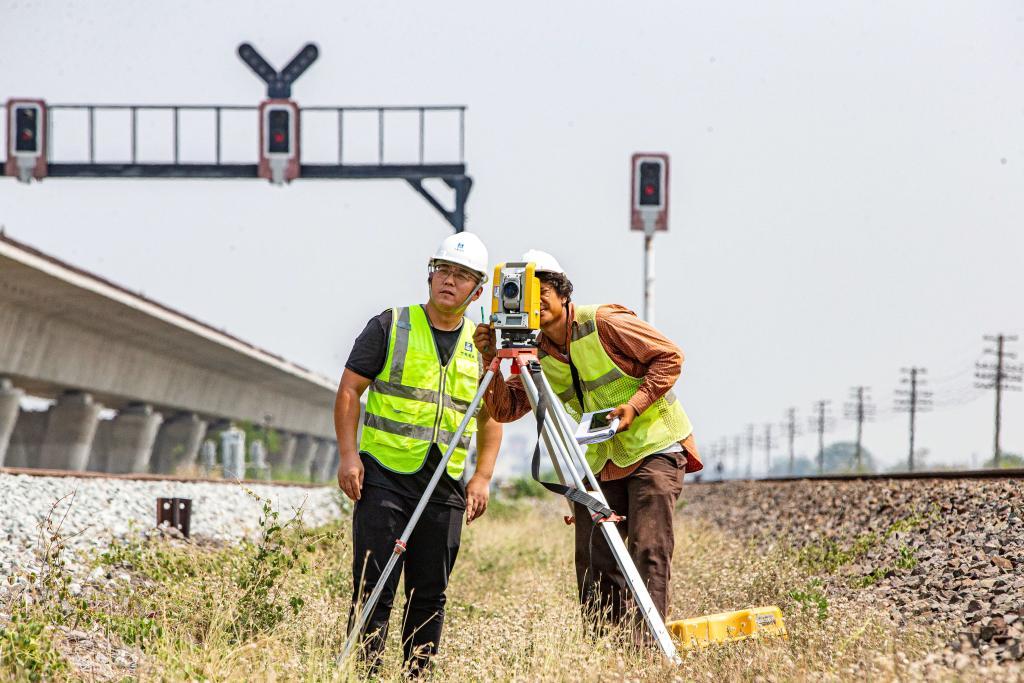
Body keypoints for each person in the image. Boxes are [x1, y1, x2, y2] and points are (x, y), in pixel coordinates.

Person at [474, 249, 701, 629]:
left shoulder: (603, 322)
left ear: (563, 293)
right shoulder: (536, 351)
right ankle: (606, 651)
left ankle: (646, 649)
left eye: (541, 289)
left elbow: (670, 357)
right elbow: (505, 410)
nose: (535, 300)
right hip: (599, 463)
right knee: (596, 559)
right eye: (525, 292)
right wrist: (489, 359)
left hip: (653, 449)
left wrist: (635, 404)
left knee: (648, 550)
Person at [335, 232, 503, 675]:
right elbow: (351, 389)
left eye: (462, 276)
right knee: (375, 585)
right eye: (444, 271)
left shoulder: (484, 345)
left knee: (430, 590)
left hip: (444, 483)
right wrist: (349, 455)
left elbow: (492, 416)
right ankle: (366, 672)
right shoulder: (390, 324)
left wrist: (482, 477)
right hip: (384, 475)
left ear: (478, 290)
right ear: (430, 275)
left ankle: (417, 673)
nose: (450, 281)